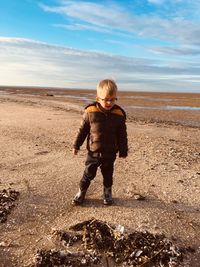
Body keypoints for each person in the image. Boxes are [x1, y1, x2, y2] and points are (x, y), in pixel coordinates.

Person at [72, 79, 128, 205]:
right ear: (98, 99)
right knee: (88, 174)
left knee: (108, 175)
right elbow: (82, 131)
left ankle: (107, 192)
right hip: (93, 152)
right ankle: (81, 191)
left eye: (112, 99)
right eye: (105, 99)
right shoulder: (91, 112)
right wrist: (76, 145)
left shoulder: (118, 114)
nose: (109, 102)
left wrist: (123, 150)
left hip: (110, 153)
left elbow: (122, 135)